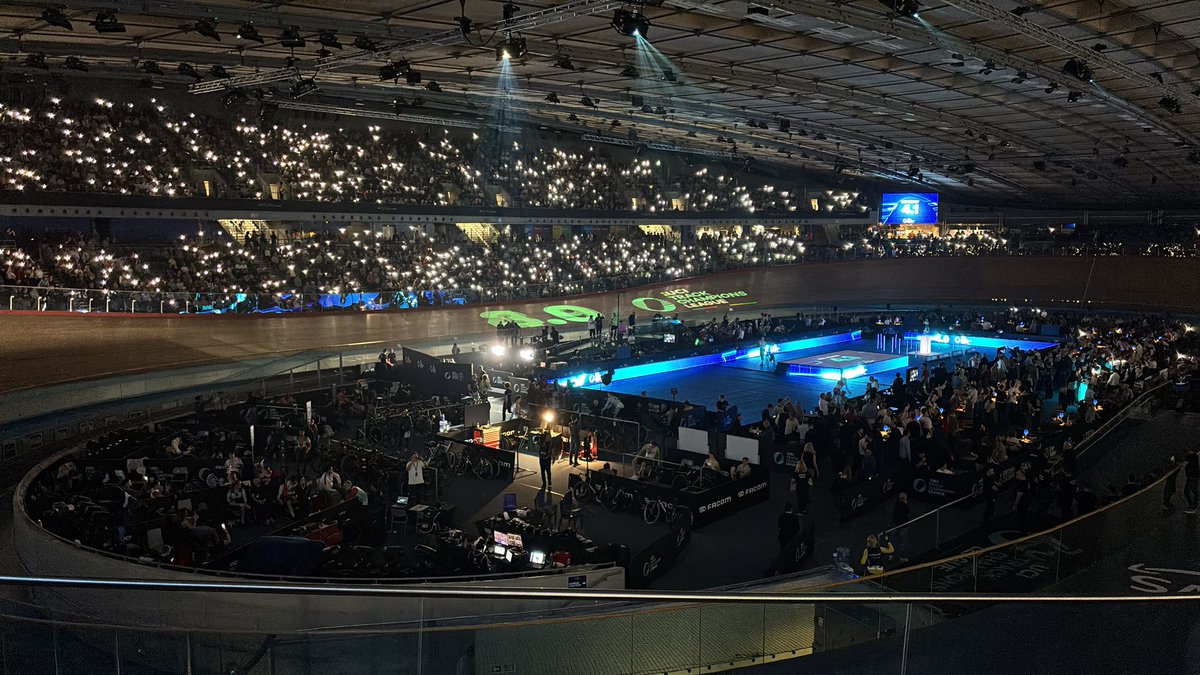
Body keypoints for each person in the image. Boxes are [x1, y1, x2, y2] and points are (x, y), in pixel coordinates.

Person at [892, 492, 911, 561]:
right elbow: (908, 516)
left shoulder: (896, 504)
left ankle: (892, 554)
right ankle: (902, 556)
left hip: (896, 524)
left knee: (894, 540)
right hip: (903, 526)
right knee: (903, 541)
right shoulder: (906, 506)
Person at [1184, 448, 1199, 515]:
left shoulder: (1190, 456)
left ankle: (1192, 508)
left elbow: (1183, 463)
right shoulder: (1195, 456)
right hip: (1196, 476)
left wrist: (1175, 462)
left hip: (1192, 478)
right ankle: (1194, 507)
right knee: (1195, 491)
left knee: (1187, 492)